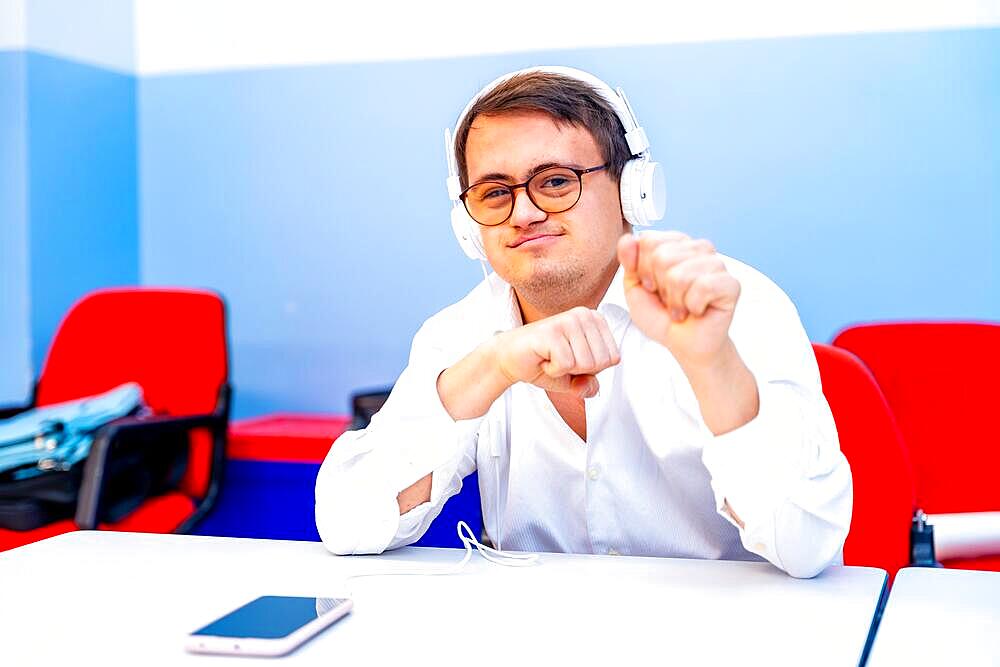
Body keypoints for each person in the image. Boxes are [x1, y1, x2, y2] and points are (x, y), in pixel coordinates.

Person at [315, 66, 852, 578]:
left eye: (554, 182)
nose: (522, 214)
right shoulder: (462, 334)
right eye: (496, 193)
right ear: (467, 222)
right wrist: (492, 368)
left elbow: (806, 545)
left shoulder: (730, 305)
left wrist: (711, 364)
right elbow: (346, 524)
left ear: (633, 191)